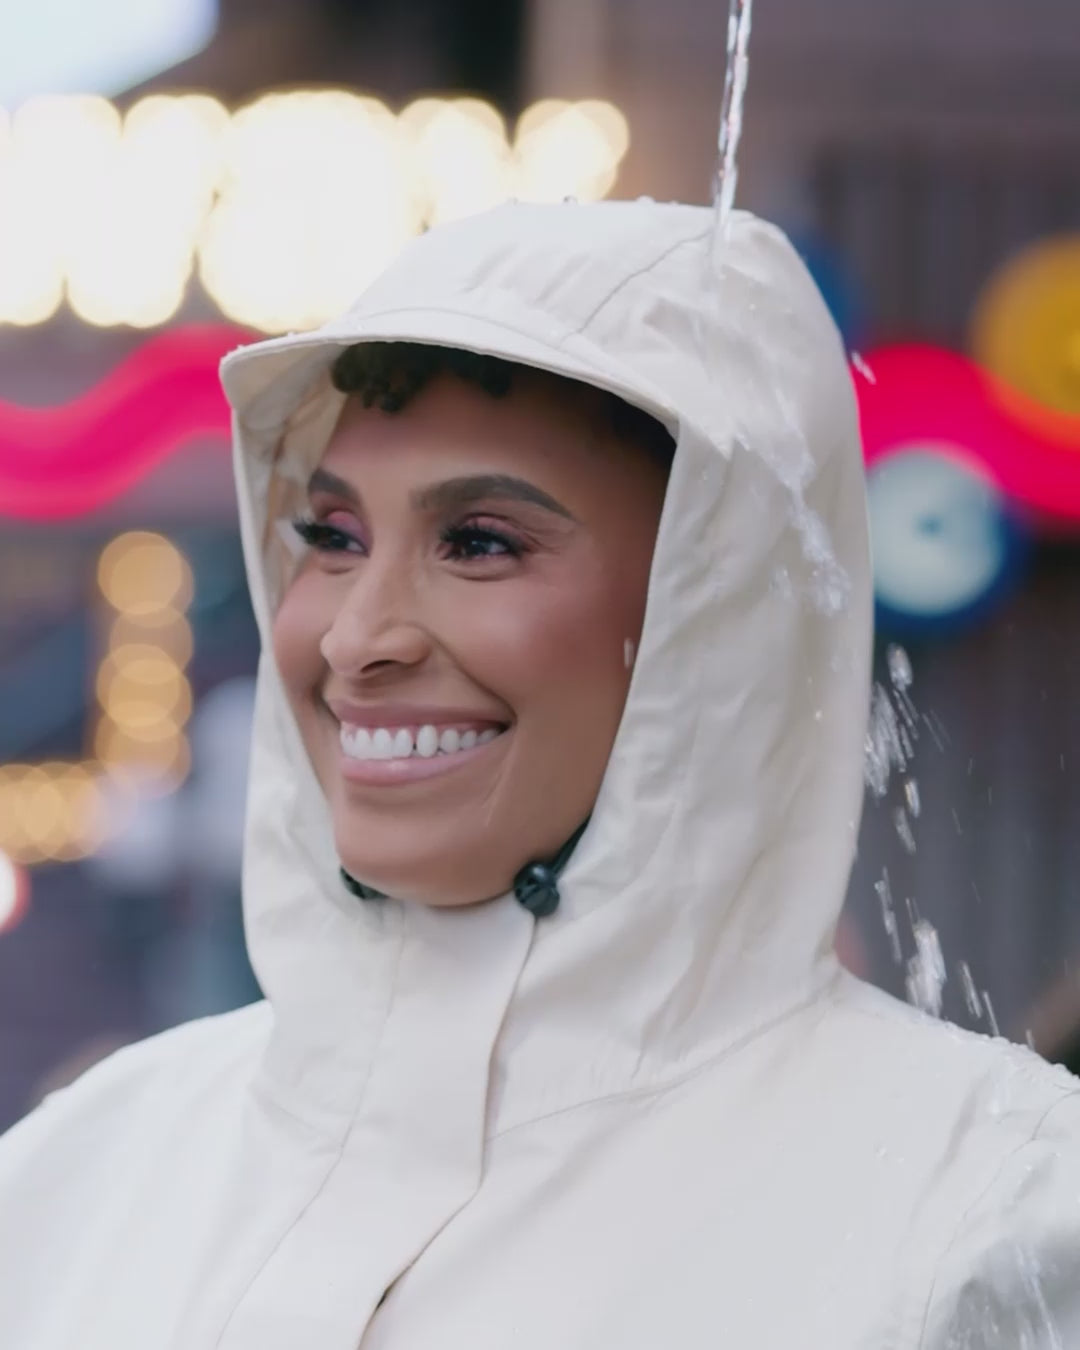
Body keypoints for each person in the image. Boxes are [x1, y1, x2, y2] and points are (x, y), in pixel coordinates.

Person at [1, 200, 1079, 1348]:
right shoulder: (80, 1173)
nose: (357, 637)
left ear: (714, 611)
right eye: (332, 537)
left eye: (479, 543)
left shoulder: (991, 1212)